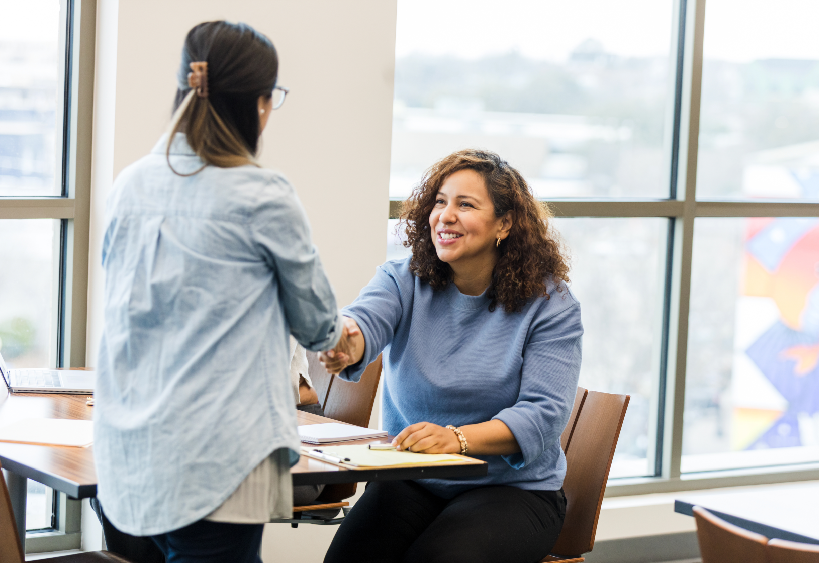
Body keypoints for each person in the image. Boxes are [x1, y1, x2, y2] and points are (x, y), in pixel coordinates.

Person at [94, 21, 352, 563]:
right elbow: (316, 323)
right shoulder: (262, 194)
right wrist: (338, 338)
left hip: (128, 455)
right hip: (220, 461)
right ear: (257, 105)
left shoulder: (130, 185)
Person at [320, 149, 583, 563]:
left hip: (512, 492)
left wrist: (457, 438)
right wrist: (344, 340)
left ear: (505, 223)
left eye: (465, 204)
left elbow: (544, 414)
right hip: (415, 479)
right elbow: (363, 323)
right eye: (440, 201)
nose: (445, 215)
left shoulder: (550, 304)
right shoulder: (401, 279)